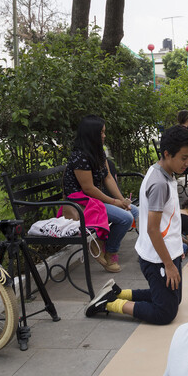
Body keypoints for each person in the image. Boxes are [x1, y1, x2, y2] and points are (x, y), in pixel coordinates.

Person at [85, 125, 188, 324]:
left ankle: (118, 293)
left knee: (174, 300)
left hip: (167, 250)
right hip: (157, 258)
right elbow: (152, 229)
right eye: (183, 158)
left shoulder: (161, 171)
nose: (187, 163)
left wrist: (177, 245)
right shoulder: (159, 183)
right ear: (167, 153)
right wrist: (169, 265)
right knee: (165, 314)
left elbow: (166, 220)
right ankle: (108, 303)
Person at [62, 115, 136, 273]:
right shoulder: (79, 156)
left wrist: (121, 199)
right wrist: (115, 202)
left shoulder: (98, 152)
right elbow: (88, 188)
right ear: (91, 134)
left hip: (93, 200)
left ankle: (104, 244)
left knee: (134, 210)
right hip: (81, 202)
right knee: (126, 218)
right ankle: (110, 252)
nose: (104, 135)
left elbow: (108, 178)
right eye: (101, 132)